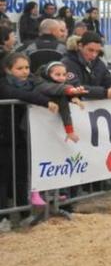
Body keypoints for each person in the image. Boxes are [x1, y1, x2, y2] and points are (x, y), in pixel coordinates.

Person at [0, 53, 62, 208]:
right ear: (8, 70)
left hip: (23, 136)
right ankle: (4, 217)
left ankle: (24, 212)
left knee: (22, 174)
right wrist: (44, 101)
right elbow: (17, 95)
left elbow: (50, 88)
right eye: (19, 68)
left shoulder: (33, 82)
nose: (24, 71)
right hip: (5, 136)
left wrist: (71, 95)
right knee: (4, 177)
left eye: (27, 67)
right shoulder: (3, 85)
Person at [62, 32, 111, 99]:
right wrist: (105, 93)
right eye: (90, 50)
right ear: (80, 46)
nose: (94, 55)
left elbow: (109, 80)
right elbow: (76, 87)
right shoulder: (67, 63)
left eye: (97, 51)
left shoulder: (98, 63)